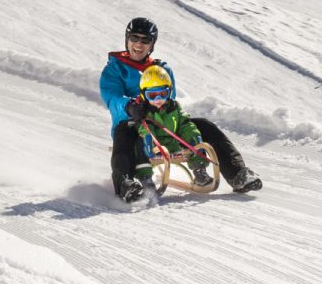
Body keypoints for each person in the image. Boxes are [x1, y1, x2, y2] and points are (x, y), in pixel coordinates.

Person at [100, 17, 262, 201]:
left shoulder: (161, 68)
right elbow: (111, 98)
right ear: (127, 39)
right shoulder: (114, 69)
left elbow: (170, 98)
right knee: (124, 132)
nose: (139, 44)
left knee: (204, 125)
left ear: (152, 44)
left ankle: (238, 174)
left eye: (145, 40)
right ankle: (125, 184)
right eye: (134, 38)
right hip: (133, 124)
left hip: (163, 125)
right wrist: (130, 106)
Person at [120, 65, 216, 188]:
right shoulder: (144, 112)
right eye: (152, 95)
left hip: (173, 144)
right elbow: (144, 128)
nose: (158, 99)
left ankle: (199, 170)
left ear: (169, 92)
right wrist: (149, 140)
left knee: (192, 132)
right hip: (154, 148)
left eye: (163, 94)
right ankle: (145, 178)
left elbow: (184, 124)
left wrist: (194, 136)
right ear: (144, 95)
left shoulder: (174, 108)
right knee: (140, 144)